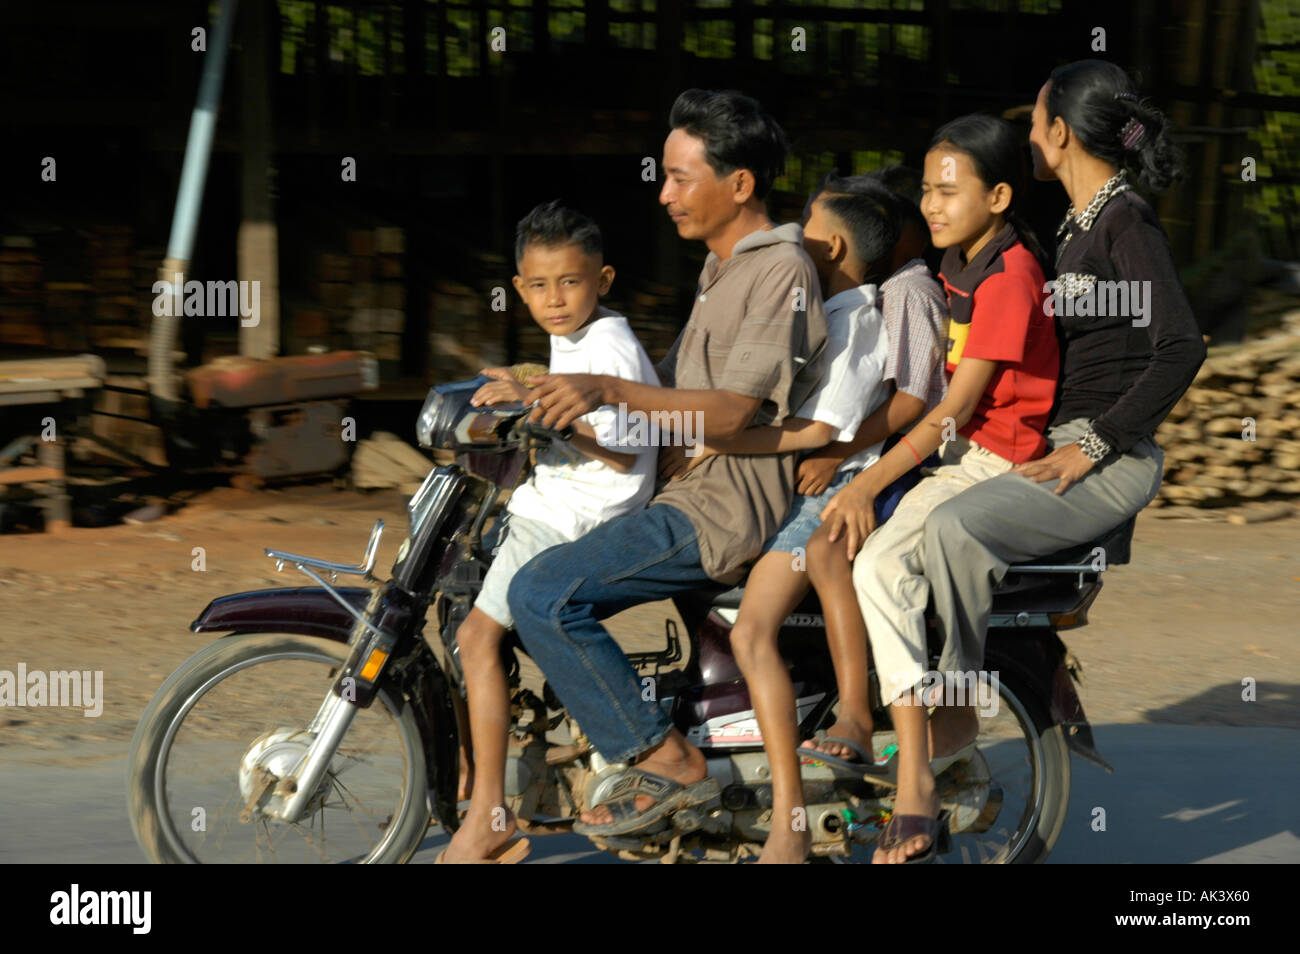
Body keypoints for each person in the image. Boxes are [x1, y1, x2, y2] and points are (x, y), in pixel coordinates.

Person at [505, 88, 828, 838]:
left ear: (739, 184)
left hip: (721, 507)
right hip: (683, 489)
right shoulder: (722, 269)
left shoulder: (778, 270)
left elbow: (729, 413)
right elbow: (672, 398)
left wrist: (610, 387)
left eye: (682, 177)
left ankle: (661, 755)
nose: (665, 192)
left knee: (544, 593)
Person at [921, 62, 1205, 787]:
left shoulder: (1124, 221)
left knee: (955, 529)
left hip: (1110, 455)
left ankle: (955, 706)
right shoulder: (1078, 228)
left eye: (1036, 120)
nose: (1028, 135)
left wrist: (1094, 445)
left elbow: (1180, 346)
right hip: (1063, 445)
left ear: (1062, 134)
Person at [817, 114, 1060, 863]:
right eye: (925, 188)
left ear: (998, 196)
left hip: (991, 460)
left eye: (948, 191)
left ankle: (917, 777)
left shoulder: (1010, 276)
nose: (931, 204)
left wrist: (865, 485)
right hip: (961, 454)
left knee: (879, 563)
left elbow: (953, 415)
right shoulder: (961, 262)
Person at [676, 172, 902, 862]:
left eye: (802, 232)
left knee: (750, 634)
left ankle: (789, 821)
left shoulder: (854, 322)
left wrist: (715, 437)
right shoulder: (830, 311)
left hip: (822, 502)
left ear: (830, 247)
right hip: (795, 490)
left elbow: (816, 430)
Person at [437, 200, 660, 863]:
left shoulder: (612, 345)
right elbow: (562, 384)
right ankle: (482, 775)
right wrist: (525, 382)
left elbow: (627, 450)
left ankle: (490, 816)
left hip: (583, 510)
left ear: (604, 280)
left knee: (477, 635)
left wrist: (545, 415)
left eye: (570, 282)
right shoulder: (580, 336)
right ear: (519, 288)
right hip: (554, 496)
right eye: (538, 285)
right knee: (458, 599)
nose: (555, 298)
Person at [795, 167, 950, 771]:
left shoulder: (910, 289)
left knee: (829, 549)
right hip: (885, 453)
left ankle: (856, 712)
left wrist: (837, 454)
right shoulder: (880, 291)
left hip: (906, 461)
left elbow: (913, 400)